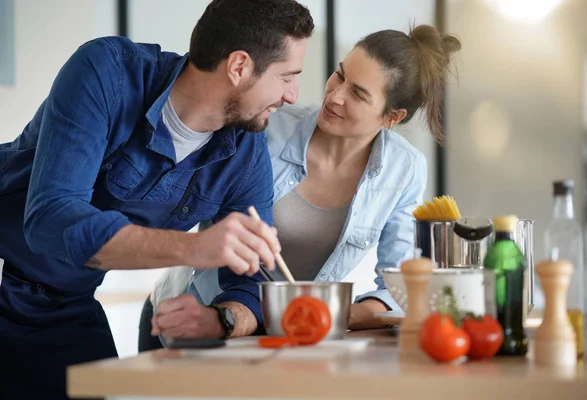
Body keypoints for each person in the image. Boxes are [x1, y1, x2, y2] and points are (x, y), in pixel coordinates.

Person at [0, 0, 314, 398]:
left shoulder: (245, 152)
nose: (292, 95)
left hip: (66, 301)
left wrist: (220, 320)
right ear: (238, 67)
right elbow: (50, 220)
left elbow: (255, 280)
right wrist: (194, 247)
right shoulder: (106, 72)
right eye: (287, 76)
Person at [143, 25, 461, 346]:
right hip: (194, 315)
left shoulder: (404, 169)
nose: (335, 95)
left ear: (392, 117)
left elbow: (398, 283)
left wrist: (331, 314)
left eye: (358, 93)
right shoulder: (266, 125)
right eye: (340, 76)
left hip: (295, 334)